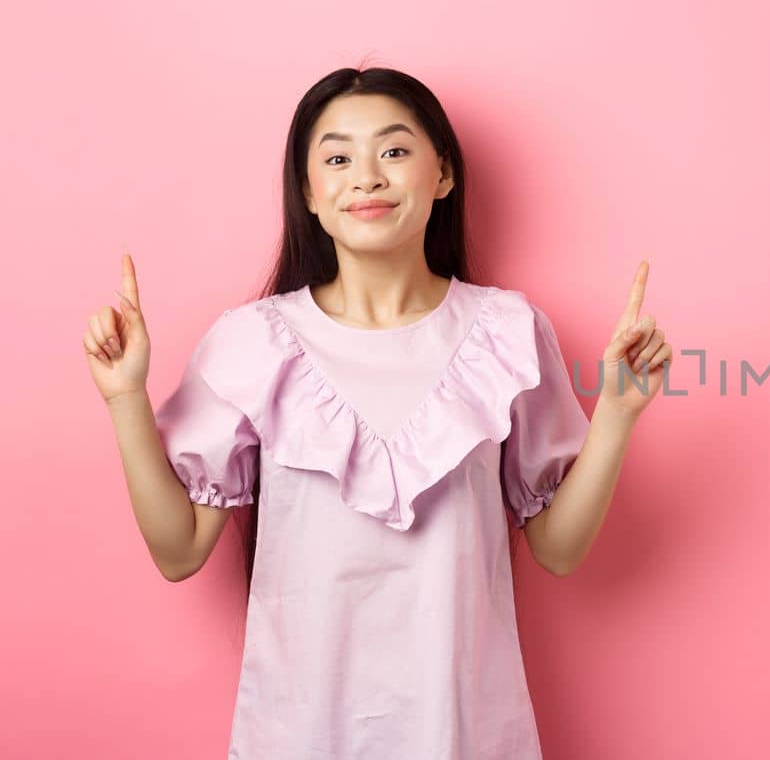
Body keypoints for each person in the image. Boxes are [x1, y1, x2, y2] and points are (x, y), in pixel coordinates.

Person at [82, 66, 672, 759]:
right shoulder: (251, 343)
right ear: (308, 193)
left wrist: (620, 414)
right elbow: (178, 552)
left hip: (465, 733)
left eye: (393, 151)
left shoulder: (507, 332)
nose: (366, 176)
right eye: (336, 158)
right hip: (299, 736)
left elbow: (559, 549)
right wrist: (125, 397)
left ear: (442, 174)